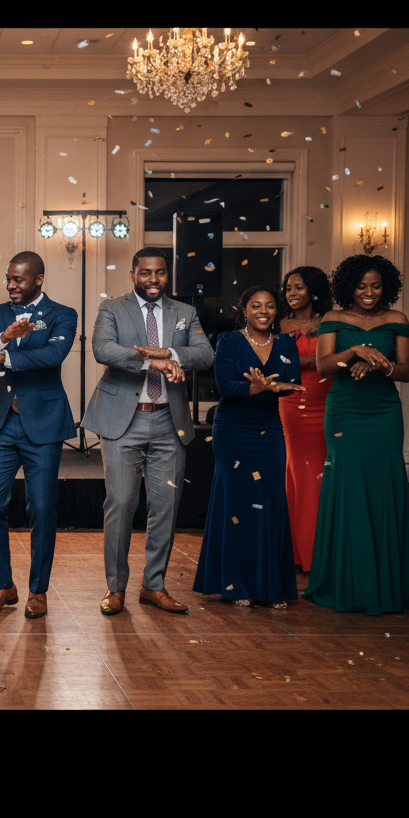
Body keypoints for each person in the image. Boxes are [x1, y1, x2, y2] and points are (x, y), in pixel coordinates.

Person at [81, 246, 213, 616]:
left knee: (166, 507)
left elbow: (205, 354)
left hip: (170, 421)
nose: (153, 280)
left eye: (160, 273)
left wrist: (170, 355)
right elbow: (103, 349)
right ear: (133, 274)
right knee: (121, 504)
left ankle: (153, 586)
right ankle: (115, 588)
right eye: (145, 273)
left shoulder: (184, 313)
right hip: (123, 420)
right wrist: (150, 361)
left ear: (167, 275)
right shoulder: (112, 308)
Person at [0, 251, 77, 619]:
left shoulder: (63, 314)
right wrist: (2, 339)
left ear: (38, 279)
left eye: (18, 279)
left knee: (41, 508)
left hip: (43, 423)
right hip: (0, 422)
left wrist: (5, 358)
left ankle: (38, 591)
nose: (10, 285)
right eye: (8, 278)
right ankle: (3, 587)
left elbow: (54, 355)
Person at [303, 255, 409, 614]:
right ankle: (347, 580)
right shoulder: (333, 318)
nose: (369, 292)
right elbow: (324, 366)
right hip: (344, 411)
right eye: (362, 286)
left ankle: (384, 582)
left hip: (384, 412)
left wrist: (379, 363)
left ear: (386, 287)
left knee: (384, 484)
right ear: (349, 286)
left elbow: (406, 370)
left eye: (376, 286)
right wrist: (355, 351)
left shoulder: (398, 319)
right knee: (348, 485)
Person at [193, 286, 304, 608]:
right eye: (256, 305)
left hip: (269, 430)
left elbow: (292, 381)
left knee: (270, 501)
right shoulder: (229, 341)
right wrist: (256, 388)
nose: (263, 311)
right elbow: (225, 386)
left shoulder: (286, 342)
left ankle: (270, 586)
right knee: (238, 503)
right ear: (244, 310)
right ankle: (235, 583)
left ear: (276, 311)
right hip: (233, 430)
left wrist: (275, 386)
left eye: (269, 306)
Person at [278, 266, 333, 573]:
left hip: (329, 403)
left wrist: (310, 361)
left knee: (324, 473)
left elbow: (337, 362)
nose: (292, 293)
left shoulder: (331, 320)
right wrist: (319, 360)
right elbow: (278, 363)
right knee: (300, 472)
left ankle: (321, 550)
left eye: (298, 287)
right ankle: (301, 552)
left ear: (313, 290)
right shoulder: (281, 323)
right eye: (288, 288)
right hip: (293, 403)